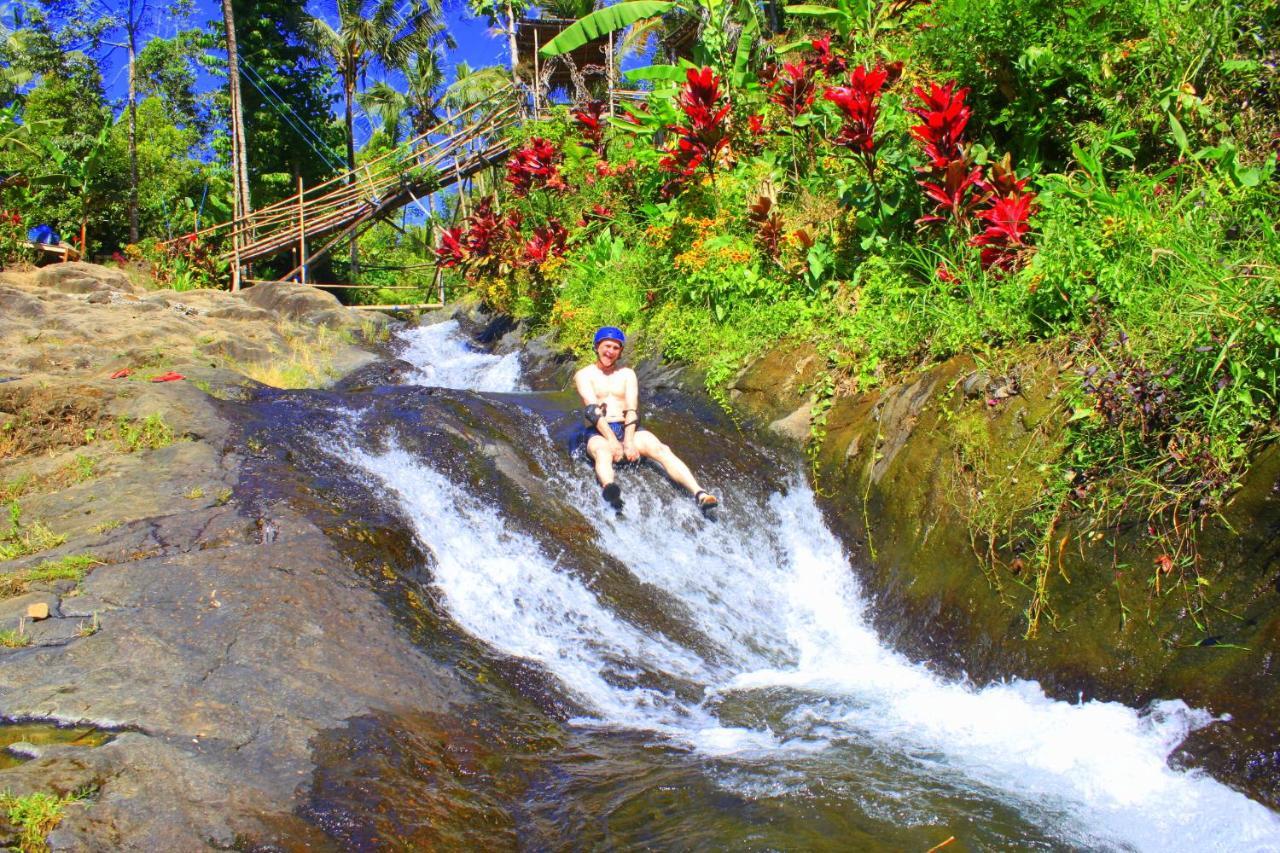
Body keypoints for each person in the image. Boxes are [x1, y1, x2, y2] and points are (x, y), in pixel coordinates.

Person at [574, 326, 719, 511]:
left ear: (620, 352)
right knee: (603, 452)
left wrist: (628, 442)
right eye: (607, 346)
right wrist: (612, 440)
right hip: (598, 430)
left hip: (628, 427)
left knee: (660, 448)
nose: (610, 351)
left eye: (615, 348)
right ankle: (611, 490)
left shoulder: (627, 374)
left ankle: (700, 493)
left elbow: (632, 408)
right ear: (597, 346)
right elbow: (592, 411)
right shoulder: (584, 375)